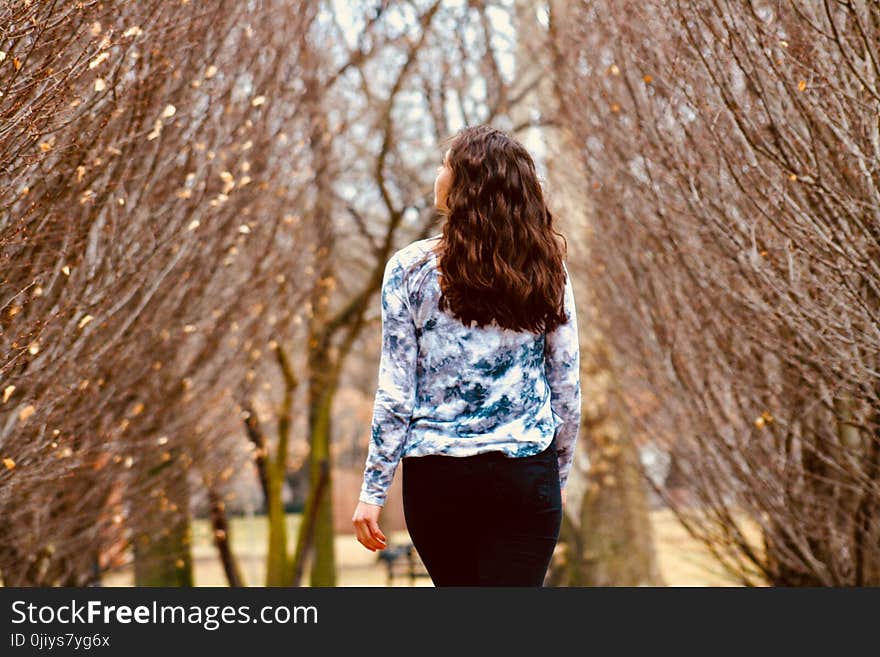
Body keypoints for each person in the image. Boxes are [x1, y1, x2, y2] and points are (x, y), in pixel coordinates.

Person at [351, 124, 581, 586]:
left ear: (464, 185)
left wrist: (372, 492)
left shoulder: (409, 270)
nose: (438, 174)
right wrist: (554, 476)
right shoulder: (545, 269)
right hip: (524, 472)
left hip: (439, 481)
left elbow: (396, 393)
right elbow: (566, 386)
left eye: (444, 166)